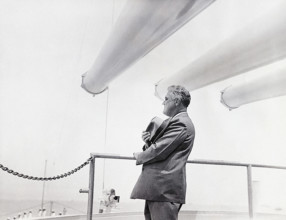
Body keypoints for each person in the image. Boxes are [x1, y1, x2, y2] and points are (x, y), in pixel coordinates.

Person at [130, 85, 195, 220]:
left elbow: (160, 151)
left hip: (164, 190)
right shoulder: (176, 121)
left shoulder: (181, 123)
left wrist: (139, 155)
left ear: (176, 102)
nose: (163, 102)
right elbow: (165, 149)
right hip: (158, 190)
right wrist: (148, 143)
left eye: (166, 99)